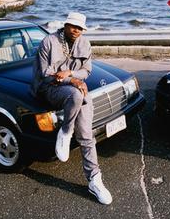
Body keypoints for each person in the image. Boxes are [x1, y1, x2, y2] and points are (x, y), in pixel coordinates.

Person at [32, 11, 112, 205]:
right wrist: (73, 80)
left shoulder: (84, 43)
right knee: (76, 94)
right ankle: (66, 131)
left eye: (80, 28)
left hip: (75, 89)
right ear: (66, 25)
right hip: (48, 88)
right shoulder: (49, 42)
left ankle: (94, 180)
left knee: (86, 134)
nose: (77, 30)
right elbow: (46, 74)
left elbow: (87, 70)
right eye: (73, 26)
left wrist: (72, 75)